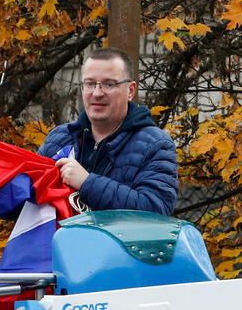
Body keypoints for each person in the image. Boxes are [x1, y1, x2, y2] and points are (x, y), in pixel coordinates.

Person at [38, 46, 178, 215]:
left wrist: (87, 183)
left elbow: (155, 210)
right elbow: (26, 199)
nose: (97, 93)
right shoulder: (59, 138)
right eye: (90, 83)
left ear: (130, 91)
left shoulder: (156, 145)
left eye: (109, 84)